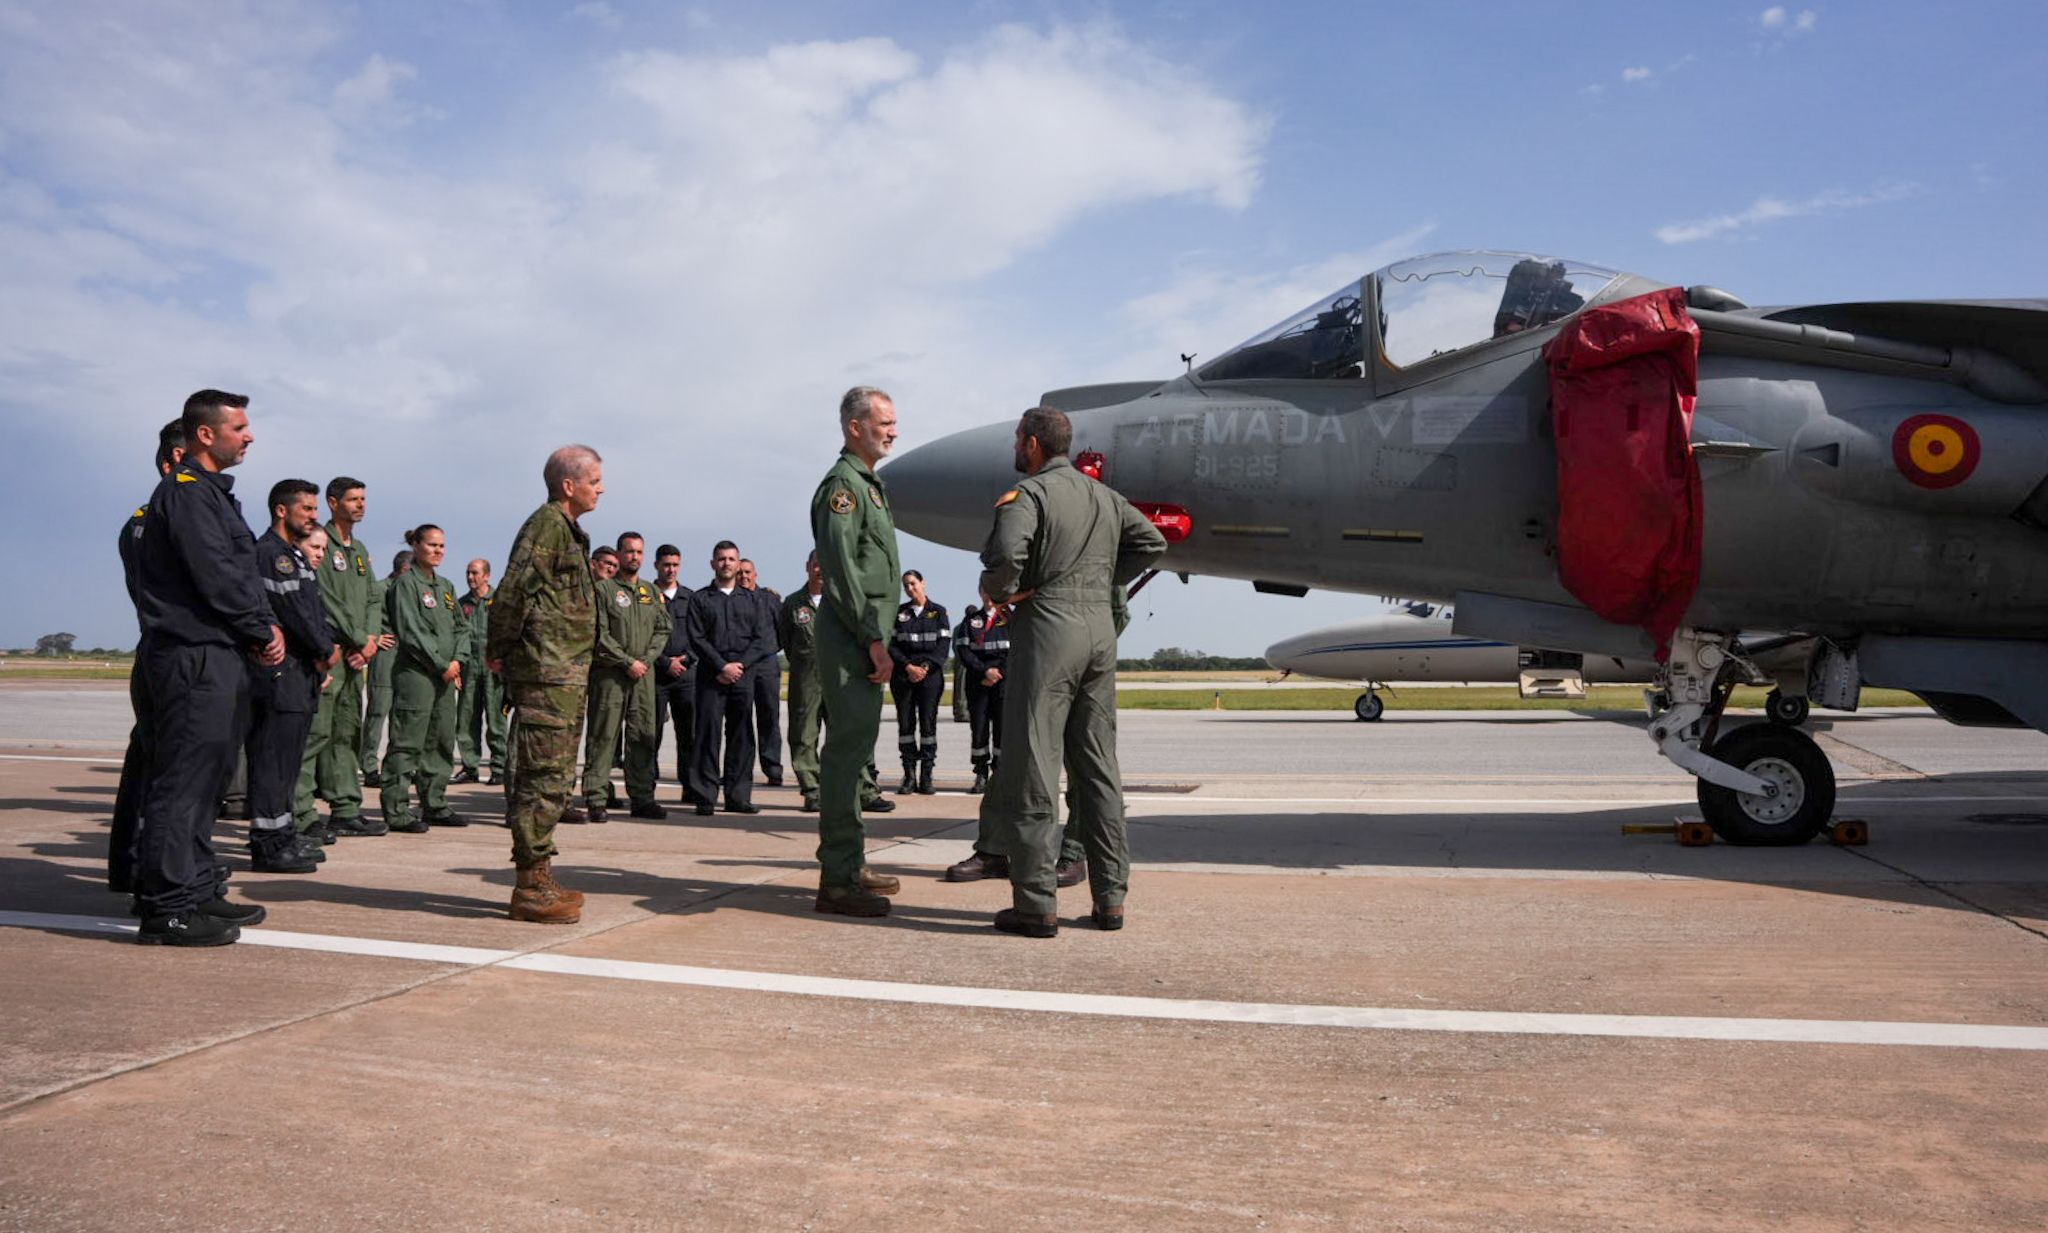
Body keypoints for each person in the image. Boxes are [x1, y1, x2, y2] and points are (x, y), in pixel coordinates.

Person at [974, 406, 1167, 938]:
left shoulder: (1028, 496)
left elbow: (1008, 554)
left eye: (1018, 438)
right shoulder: (1105, 497)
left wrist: (1002, 591)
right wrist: (1104, 583)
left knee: (1035, 761)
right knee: (1098, 766)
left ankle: (1036, 904)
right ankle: (1110, 899)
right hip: (1099, 635)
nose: (1016, 446)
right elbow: (1153, 543)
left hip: (1049, 629)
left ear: (1033, 444)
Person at [132, 389, 285, 946]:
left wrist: (261, 626)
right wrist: (259, 626)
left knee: (208, 784)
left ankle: (196, 888)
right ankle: (167, 908)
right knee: (181, 784)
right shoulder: (188, 494)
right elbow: (216, 575)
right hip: (192, 655)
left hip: (219, 655)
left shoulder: (215, 497)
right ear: (205, 434)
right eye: (239, 427)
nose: (249, 436)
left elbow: (241, 574)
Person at [488, 444, 603, 924]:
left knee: (555, 777)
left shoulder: (567, 531)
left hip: (564, 673)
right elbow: (512, 592)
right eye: (594, 479)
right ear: (568, 485)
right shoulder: (546, 527)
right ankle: (530, 886)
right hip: (544, 672)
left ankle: (540, 874)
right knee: (539, 777)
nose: (601, 488)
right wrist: (500, 653)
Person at [808, 386, 908, 917]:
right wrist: (873, 638)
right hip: (852, 636)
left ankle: (849, 862)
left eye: (893, 422)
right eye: (884, 423)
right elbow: (843, 573)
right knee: (846, 755)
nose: (893, 430)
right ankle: (837, 881)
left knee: (856, 752)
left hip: (863, 634)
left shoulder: (869, 485)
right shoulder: (843, 488)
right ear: (854, 427)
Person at [109, 420, 186, 896]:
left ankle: (136, 865)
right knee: (157, 768)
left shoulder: (161, 518)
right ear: (174, 460)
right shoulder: (149, 521)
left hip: (164, 655)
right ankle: (140, 870)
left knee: (152, 762)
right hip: (164, 655)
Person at [245, 480, 335, 873]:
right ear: (282, 510)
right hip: (284, 675)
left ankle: (283, 834)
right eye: (308, 509)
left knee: (288, 764)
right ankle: (268, 843)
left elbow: (312, 611)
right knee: (273, 762)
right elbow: (295, 613)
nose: (315, 517)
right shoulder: (272, 555)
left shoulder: (291, 556)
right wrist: (323, 651)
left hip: (301, 673)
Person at [294, 477, 390, 843]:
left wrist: (368, 642)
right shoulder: (320, 543)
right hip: (331, 650)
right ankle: (301, 812)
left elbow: (372, 597)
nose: (360, 505)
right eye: (353, 499)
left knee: (347, 732)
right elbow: (325, 599)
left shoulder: (359, 549)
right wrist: (355, 638)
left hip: (356, 654)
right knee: (316, 733)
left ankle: (346, 808)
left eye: (363, 498)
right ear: (333, 503)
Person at [379, 525, 468, 832]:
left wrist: (457, 660)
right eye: (431, 544)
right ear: (415, 546)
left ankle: (435, 803)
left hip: (445, 677)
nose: (438, 550)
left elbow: (462, 628)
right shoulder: (406, 585)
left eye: (442, 545)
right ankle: (396, 808)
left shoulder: (446, 586)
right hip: (417, 674)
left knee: (441, 740)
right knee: (407, 742)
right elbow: (410, 631)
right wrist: (441, 663)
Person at [580, 532, 670, 822]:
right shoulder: (604, 591)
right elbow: (599, 633)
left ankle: (642, 797)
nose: (634, 557)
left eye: (639, 552)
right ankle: (596, 797)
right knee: (603, 735)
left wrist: (644, 661)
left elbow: (663, 630)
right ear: (618, 555)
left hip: (643, 676)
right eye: (629, 551)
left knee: (643, 735)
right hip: (611, 675)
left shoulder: (651, 593)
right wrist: (626, 661)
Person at [686, 542, 770, 816]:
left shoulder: (753, 600)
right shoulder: (700, 599)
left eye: (731, 559)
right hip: (711, 676)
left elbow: (761, 639)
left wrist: (740, 666)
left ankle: (738, 796)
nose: (726, 563)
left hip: (743, 677)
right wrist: (722, 666)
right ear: (713, 564)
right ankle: (705, 796)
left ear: (738, 563)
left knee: (742, 736)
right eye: (721, 559)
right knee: (707, 735)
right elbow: (696, 638)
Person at [888, 569, 950, 795]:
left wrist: (924, 668)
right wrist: (908, 667)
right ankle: (909, 775)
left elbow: (943, 647)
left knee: (928, 726)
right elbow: (892, 645)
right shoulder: (899, 613)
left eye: (913, 583)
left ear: (923, 583)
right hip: (903, 676)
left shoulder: (939, 612)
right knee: (905, 727)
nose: (910, 588)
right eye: (906, 585)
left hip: (929, 678)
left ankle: (926, 775)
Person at [651, 544, 701, 806]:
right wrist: (663, 662)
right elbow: (641, 635)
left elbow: (699, 634)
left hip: (686, 677)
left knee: (688, 735)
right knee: (651, 733)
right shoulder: (646, 596)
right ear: (656, 565)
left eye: (675, 565)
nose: (670, 569)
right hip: (656, 676)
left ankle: (691, 787)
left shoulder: (690, 598)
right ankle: (646, 787)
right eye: (666, 564)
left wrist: (687, 660)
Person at [777, 552, 827, 813]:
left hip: (838, 678)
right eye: (816, 564)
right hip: (805, 678)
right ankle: (812, 790)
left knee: (843, 736)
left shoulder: (841, 600)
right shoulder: (793, 603)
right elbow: (786, 640)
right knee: (804, 735)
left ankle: (851, 789)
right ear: (808, 566)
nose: (820, 569)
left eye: (825, 564)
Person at [359, 549, 410, 788]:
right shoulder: (380, 589)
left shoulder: (411, 591)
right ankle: (369, 765)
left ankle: (396, 766)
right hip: (386, 655)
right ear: (404, 570)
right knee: (378, 711)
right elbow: (364, 617)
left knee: (403, 715)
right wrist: (375, 638)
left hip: (407, 656)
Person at [454, 558, 507, 785]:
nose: (470, 577)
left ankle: (499, 767)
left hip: (493, 669)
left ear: (487, 576)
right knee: (467, 718)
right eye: (468, 573)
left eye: (475, 573)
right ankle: (470, 766)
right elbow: (455, 635)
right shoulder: (461, 604)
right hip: (469, 668)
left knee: (496, 720)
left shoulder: (499, 602)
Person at [955, 598, 1011, 796]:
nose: (988, 595)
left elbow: (1018, 650)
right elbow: (964, 651)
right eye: (984, 590)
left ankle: (999, 773)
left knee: (1001, 730)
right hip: (978, 683)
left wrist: (999, 673)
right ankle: (980, 773)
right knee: (979, 730)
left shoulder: (1010, 619)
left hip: (1003, 684)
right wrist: (984, 672)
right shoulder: (970, 621)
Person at [737, 558, 785, 788]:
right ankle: (741, 768)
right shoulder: (731, 600)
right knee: (740, 718)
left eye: (747, 572)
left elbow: (783, 630)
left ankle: (773, 768)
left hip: (766, 665)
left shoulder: (769, 599)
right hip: (741, 666)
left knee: (769, 717)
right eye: (739, 573)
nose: (743, 576)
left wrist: (769, 649)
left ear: (755, 574)